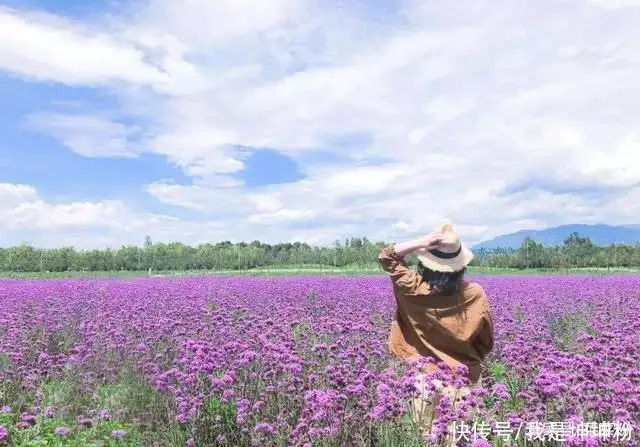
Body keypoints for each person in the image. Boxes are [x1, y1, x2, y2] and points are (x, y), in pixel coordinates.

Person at [377, 224, 494, 443]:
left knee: (426, 439)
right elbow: (485, 341)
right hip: (465, 379)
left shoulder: (411, 288)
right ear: (461, 266)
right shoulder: (474, 294)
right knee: (460, 440)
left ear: (425, 264)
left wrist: (421, 242)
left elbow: (387, 257)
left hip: (423, 381)